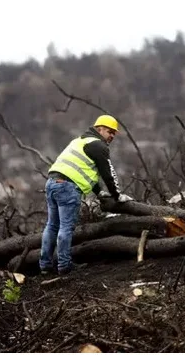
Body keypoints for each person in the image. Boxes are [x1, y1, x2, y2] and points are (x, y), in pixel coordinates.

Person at [40, 114, 134, 275]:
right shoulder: (99, 146)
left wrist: (99, 193)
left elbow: (84, 171)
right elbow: (107, 175)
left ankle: (45, 266)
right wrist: (117, 196)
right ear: (99, 129)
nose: (112, 136)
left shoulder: (79, 141)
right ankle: (64, 266)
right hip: (68, 188)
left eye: (114, 133)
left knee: (52, 226)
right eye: (109, 131)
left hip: (52, 183)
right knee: (65, 228)